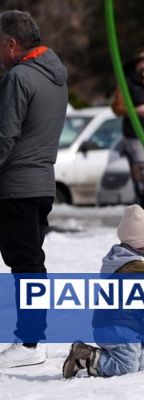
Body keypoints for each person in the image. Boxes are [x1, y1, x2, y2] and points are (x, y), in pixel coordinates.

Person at [0, 10, 68, 368]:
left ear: (11, 44)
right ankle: (31, 338)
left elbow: (5, 136)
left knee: (26, 264)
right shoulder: (54, 77)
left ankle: (31, 342)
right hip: (41, 184)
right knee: (30, 261)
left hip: (15, 185)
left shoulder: (19, 77)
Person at [62, 204, 144, 378]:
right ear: (140, 244)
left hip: (130, 327)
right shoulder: (135, 269)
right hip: (116, 326)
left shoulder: (134, 264)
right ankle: (85, 355)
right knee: (127, 368)